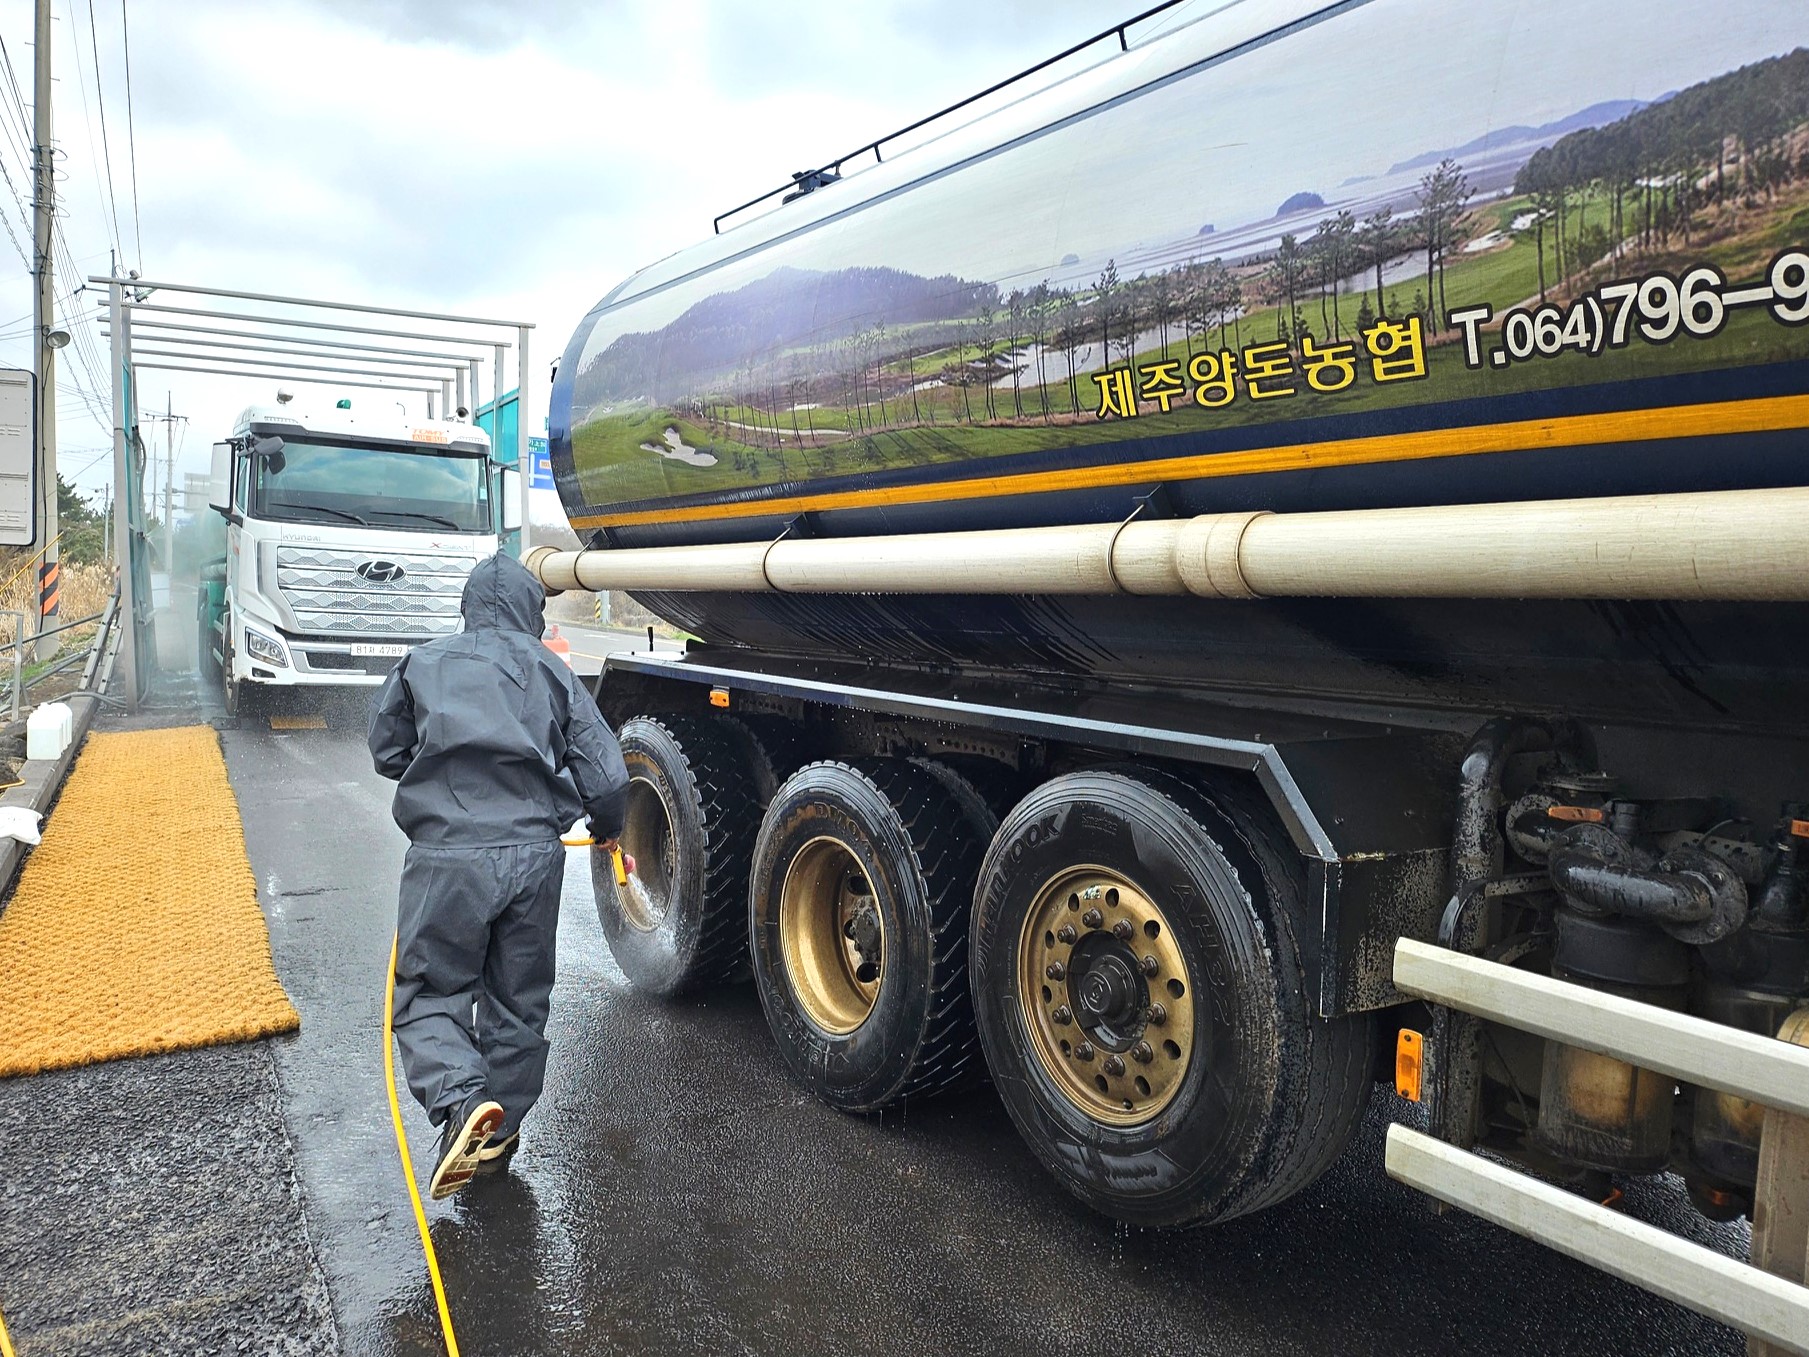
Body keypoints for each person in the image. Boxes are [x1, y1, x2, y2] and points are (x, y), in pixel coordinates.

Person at [369, 552, 628, 1199]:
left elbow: (386, 750)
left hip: (448, 857)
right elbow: (608, 774)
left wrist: (440, 780)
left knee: (430, 992)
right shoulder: (552, 670)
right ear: (530, 611)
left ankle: (462, 1103)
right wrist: (605, 825)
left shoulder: (422, 662)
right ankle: (498, 1129)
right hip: (534, 861)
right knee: (518, 1001)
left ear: (467, 606)